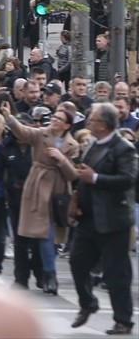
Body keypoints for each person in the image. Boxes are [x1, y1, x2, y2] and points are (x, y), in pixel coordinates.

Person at [62, 103, 136, 334]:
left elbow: (127, 179)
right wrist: (77, 202)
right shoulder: (92, 145)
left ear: (103, 125)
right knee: (77, 262)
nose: (89, 124)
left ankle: (123, 319)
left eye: (92, 120)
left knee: (117, 273)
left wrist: (94, 178)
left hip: (113, 221)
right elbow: (82, 175)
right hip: (88, 219)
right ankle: (88, 303)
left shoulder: (123, 148)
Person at [0, 99, 79, 295]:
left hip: (59, 191)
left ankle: (46, 274)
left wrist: (61, 160)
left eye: (59, 119)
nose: (54, 120)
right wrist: (9, 117)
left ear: (67, 125)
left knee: (52, 238)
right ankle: (49, 275)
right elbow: (23, 132)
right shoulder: (41, 134)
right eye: (54, 117)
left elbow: (73, 175)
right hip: (38, 188)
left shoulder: (72, 144)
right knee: (45, 235)